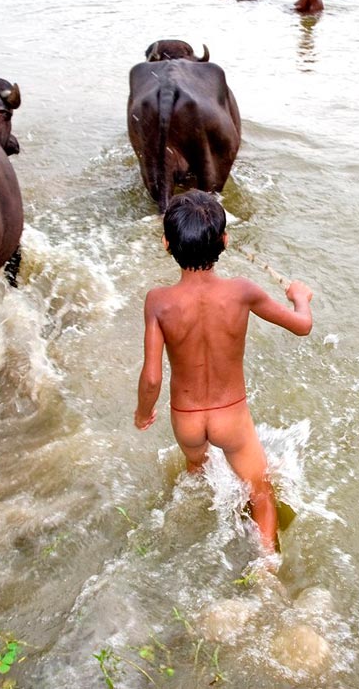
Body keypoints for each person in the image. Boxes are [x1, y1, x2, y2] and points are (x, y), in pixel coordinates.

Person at [134, 190, 313, 557]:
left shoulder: (158, 301)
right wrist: (300, 298)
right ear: (225, 242)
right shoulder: (242, 291)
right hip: (230, 416)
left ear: (167, 243)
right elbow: (301, 326)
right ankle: (265, 571)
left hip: (186, 420)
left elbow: (152, 376)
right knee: (260, 491)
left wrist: (142, 413)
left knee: (196, 471)